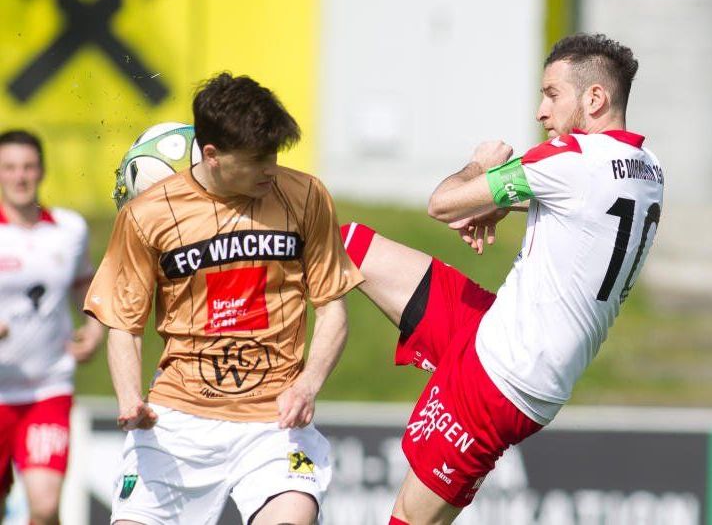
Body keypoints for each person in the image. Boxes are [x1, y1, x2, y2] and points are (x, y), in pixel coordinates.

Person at [340, 33, 664, 524]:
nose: (541, 111)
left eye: (553, 94)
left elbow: (443, 203)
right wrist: (496, 204)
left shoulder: (570, 159)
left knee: (407, 517)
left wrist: (481, 166)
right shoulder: (647, 169)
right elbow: (575, 215)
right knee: (350, 245)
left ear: (594, 98)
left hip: (501, 380)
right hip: (499, 335)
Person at [83, 73, 363, 525]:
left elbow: (332, 307)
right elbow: (124, 324)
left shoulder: (307, 196)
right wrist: (130, 397)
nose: (271, 168)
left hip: (275, 422)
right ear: (211, 155)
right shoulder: (146, 214)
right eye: (257, 160)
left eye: (275, 154)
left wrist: (308, 384)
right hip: (178, 422)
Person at [0, 130, 104, 525]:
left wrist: (94, 331)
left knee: (44, 508)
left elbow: (85, 288)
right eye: (10, 168)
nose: (20, 177)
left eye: (28, 167)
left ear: (41, 170)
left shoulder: (69, 230)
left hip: (48, 388)